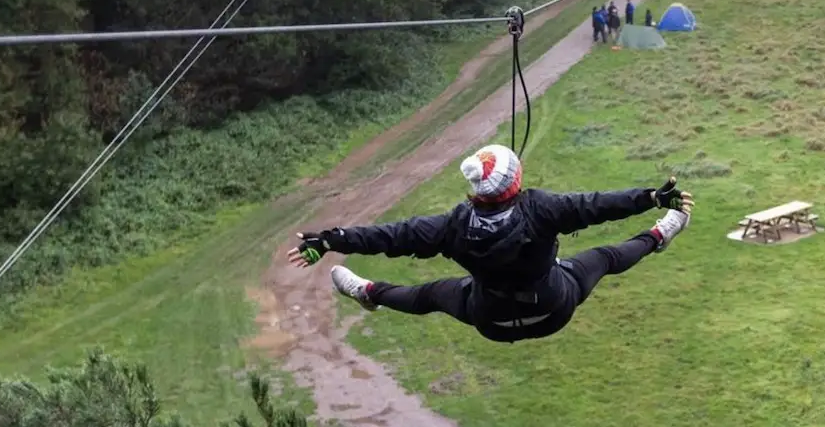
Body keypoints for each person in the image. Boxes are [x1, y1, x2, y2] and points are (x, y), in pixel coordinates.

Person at [288, 144, 694, 344]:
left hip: (491, 320)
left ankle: (370, 292)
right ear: (516, 182)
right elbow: (594, 206)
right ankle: (661, 233)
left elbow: (392, 236)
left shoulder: (453, 226)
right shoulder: (542, 209)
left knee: (429, 294)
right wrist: (651, 198)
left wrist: (329, 241)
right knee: (604, 258)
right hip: (552, 308)